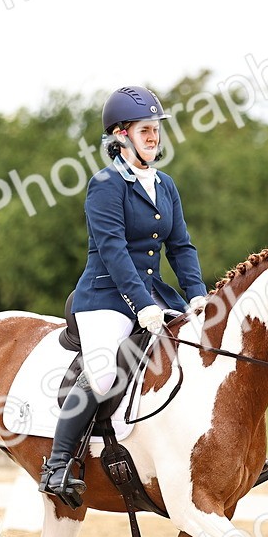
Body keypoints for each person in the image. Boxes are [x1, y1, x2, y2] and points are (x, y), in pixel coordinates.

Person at [39, 85, 208, 505]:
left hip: (154, 294)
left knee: (199, 351)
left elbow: (181, 247)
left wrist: (198, 295)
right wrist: (143, 304)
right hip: (104, 297)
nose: (154, 137)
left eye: (157, 130)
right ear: (120, 135)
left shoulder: (165, 185)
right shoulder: (105, 185)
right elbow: (113, 251)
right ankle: (58, 464)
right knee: (103, 374)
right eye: (146, 130)